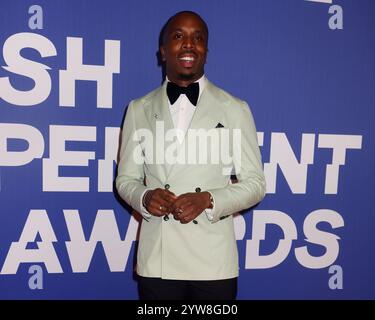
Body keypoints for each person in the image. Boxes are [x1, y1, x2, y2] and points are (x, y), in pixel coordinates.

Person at [116, 11, 266, 300]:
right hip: (159, 259)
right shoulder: (138, 109)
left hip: (212, 263)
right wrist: (145, 197)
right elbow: (126, 180)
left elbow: (255, 183)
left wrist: (209, 199)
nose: (189, 44)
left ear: (206, 52)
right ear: (163, 51)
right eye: (178, 36)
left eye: (198, 38)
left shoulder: (235, 109)